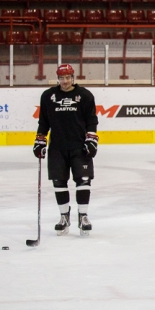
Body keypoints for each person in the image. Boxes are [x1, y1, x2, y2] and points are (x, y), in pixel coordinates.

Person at [33, 64, 98, 236]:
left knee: (83, 180)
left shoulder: (84, 96)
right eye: (62, 78)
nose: (65, 81)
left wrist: (91, 139)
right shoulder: (48, 96)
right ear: (58, 78)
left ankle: (83, 216)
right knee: (58, 182)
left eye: (68, 77)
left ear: (73, 77)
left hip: (80, 147)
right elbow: (43, 122)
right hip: (57, 148)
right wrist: (40, 140)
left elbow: (92, 120)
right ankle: (64, 217)